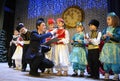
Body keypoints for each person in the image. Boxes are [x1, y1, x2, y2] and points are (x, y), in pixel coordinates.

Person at [99, 12, 120, 81]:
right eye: (107, 19)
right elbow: (101, 37)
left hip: (114, 48)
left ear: (114, 20)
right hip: (107, 48)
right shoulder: (106, 29)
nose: (107, 21)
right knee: (106, 61)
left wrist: (112, 35)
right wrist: (103, 37)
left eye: (109, 19)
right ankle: (106, 73)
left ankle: (116, 74)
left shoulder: (117, 29)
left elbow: (118, 37)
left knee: (115, 62)